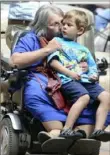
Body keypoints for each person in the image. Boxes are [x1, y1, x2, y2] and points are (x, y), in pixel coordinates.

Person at [10, 5, 110, 145]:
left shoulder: (68, 41)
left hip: (70, 80)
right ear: (43, 25)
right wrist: (46, 50)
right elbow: (16, 61)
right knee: (37, 93)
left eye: (62, 22)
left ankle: (82, 134)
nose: (62, 27)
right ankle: (56, 132)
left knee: (97, 98)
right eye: (55, 24)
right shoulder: (30, 39)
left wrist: (84, 68)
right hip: (40, 78)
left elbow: (81, 59)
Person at [45, 9, 110, 141]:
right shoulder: (57, 41)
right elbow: (53, 63)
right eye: (63, 24)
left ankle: (98, 130)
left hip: (85, 80)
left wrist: (93, 75)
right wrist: (70, 73)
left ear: (79, 31)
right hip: (67, 80)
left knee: (106, 96)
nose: (64, 27)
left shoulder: (84, 49)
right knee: (84, 97)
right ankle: (67, 129)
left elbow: (93, 68)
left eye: (69, 25)